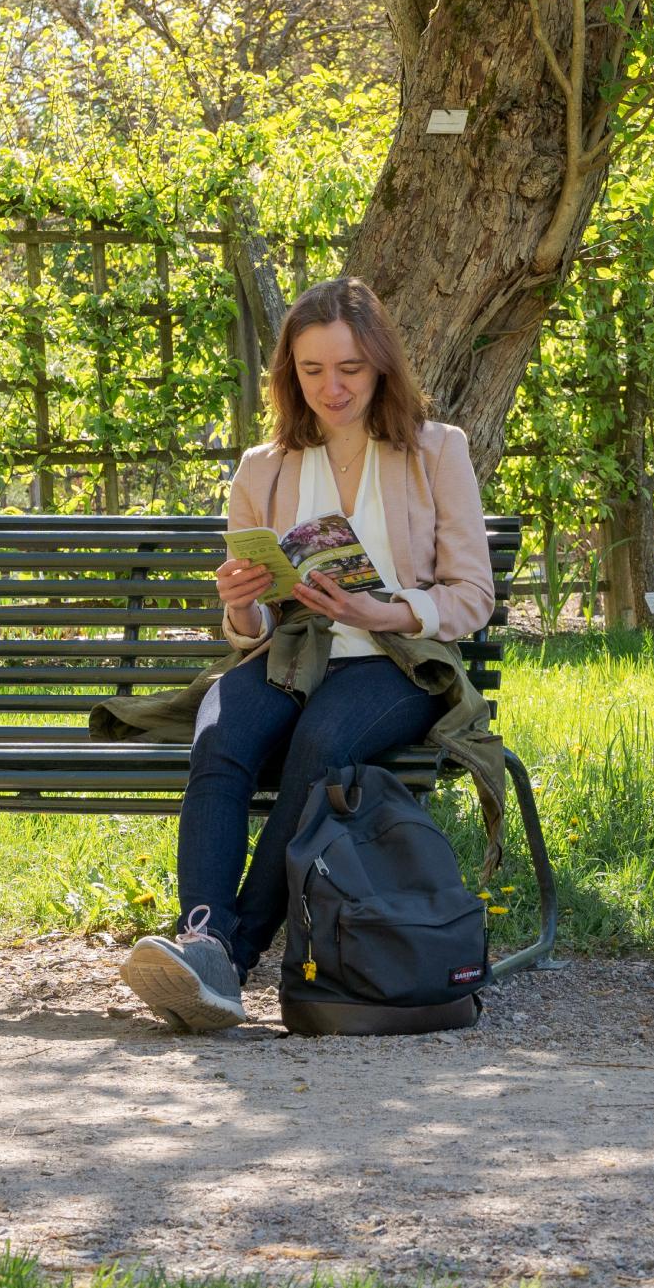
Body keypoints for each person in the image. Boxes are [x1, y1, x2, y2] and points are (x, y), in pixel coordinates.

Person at [117, 275, 499, 1032]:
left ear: (382, 363)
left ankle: (231, 949)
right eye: (312, 369)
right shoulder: (268, 465)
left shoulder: (435, 450)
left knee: (322, 740)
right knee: (221, 732)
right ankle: (204, 936)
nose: (332, 386)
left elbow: (471, 594)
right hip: (295, 652)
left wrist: (382, 608)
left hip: (397, 660)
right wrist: (239, 599)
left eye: (350, 368)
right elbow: (251, 626)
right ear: (290, 373)